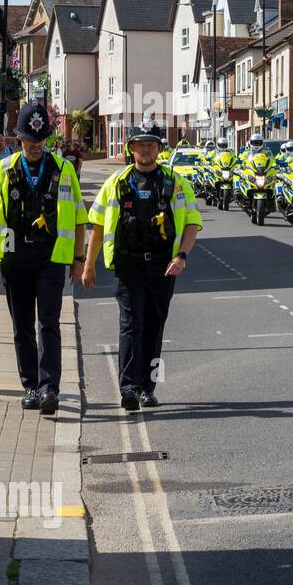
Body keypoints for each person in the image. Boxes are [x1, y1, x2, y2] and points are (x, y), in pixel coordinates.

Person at [0, 103, 87, 413]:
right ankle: (31, 386)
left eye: (39, 141)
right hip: (14, 257)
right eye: (28, 140)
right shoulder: (4, 169)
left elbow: (79, 216)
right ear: (18, 138)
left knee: (48, 321)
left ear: (47, 139)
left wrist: (79, 257)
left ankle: (50, 387)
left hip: (50, 256)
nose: (34, 146)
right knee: (21, 325)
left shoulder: (64, 170)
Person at [83, 124, 202, 411]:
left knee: (154, 327)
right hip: (128, 266)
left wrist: (182, 257)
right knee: (130, 325)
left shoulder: (176, 183)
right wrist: (88, 265)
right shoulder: (116, 182)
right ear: (131, 148)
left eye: (151, 144)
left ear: (159, 148)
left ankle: (148, 388)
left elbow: (191, 224)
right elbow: (97, 226)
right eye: (140, 144)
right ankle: (129, 387)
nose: (146, 149)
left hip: (163, 267)